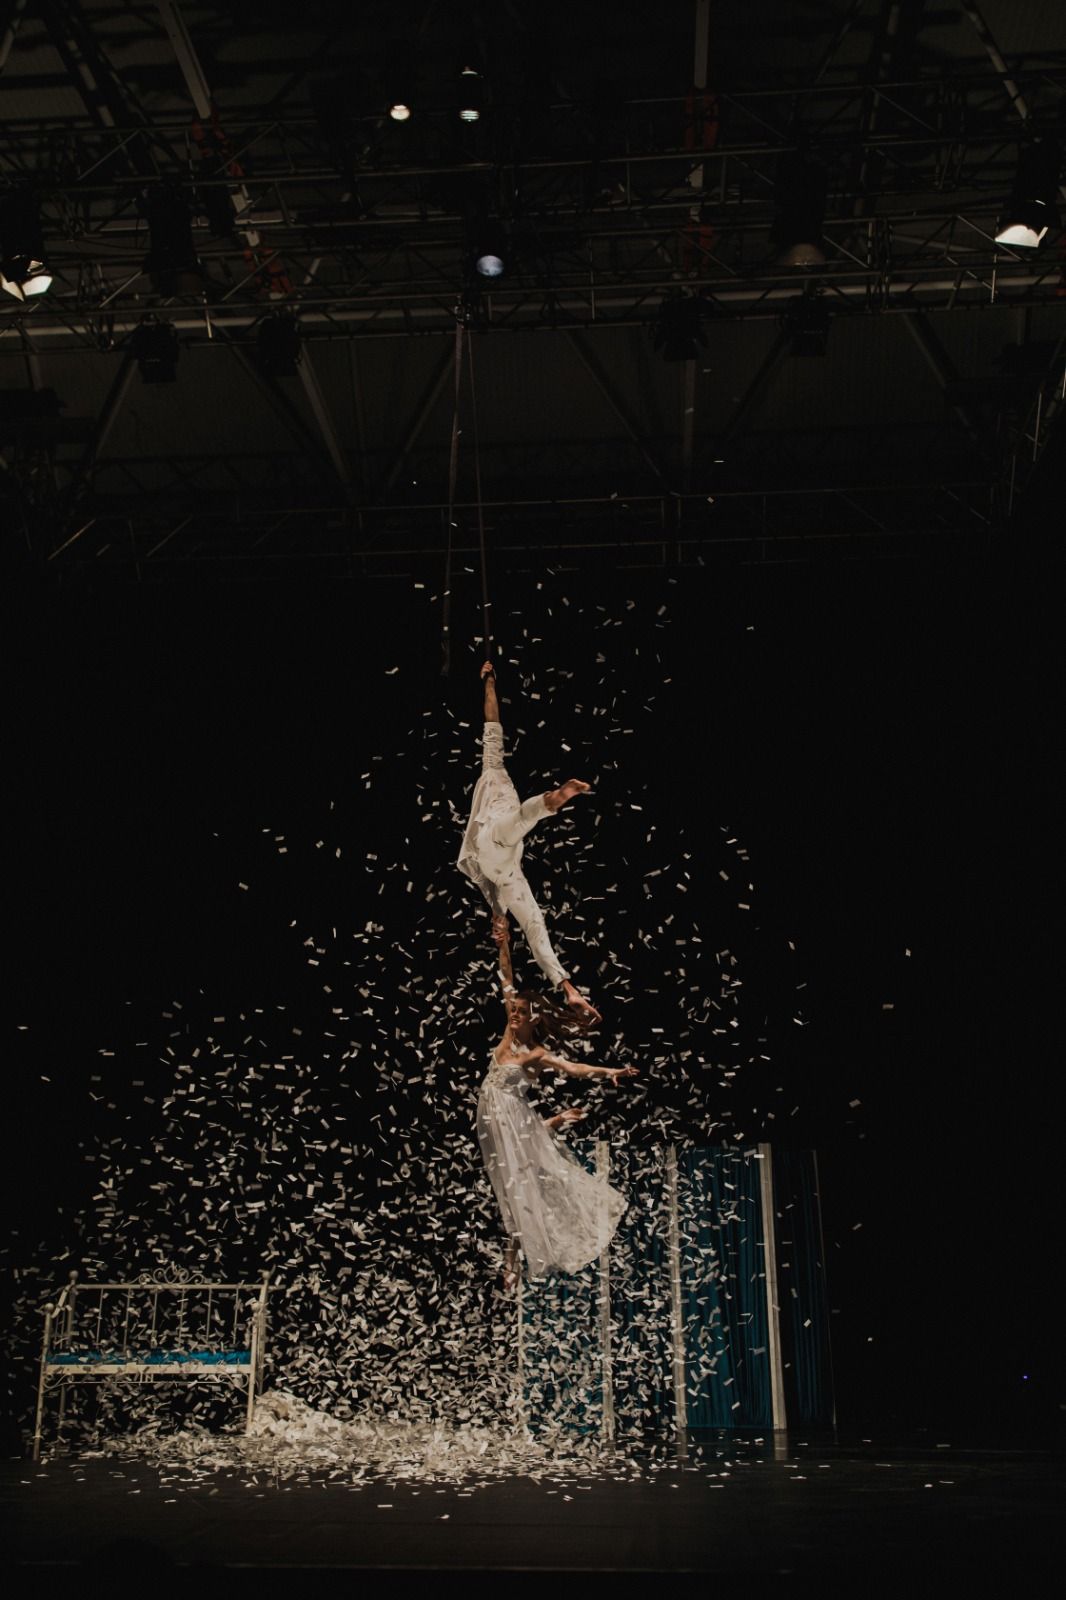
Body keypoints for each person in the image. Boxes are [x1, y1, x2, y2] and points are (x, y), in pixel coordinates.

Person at [477, 914, 637, 1290]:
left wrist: (608, 1072)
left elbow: (573, 1067)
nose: (513, 1015)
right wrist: (504, 943)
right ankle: (513, 1259)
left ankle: (513, 1264)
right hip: (496, 1121)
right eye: (513, 1012)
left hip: (512, 1120)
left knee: (520, 1188)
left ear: (533, 1020)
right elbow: (506, 978)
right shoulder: (507, 1035)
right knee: (510, 1186)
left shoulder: (535, 1053)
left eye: (519, 1013)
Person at [458, 659, 600, 1021]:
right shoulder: (494, 766)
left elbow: (492, 725)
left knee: (536, 924)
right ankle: (556, 798)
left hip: (505, 865)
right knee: (521, 820)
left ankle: (567, 988)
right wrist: (489, 682)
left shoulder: (494, 766)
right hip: (497, 840)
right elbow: (492, 723)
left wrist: (489, 681)